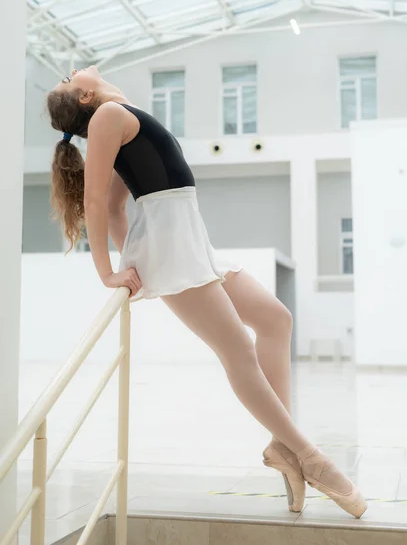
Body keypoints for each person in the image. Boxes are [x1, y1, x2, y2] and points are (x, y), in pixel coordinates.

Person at [47, 65, 367, 518]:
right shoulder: (106, 117)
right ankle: (311, 458)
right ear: (83, 97)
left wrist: (136, 254)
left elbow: (119, 206)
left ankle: (284, 447)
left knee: (276, 319)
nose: (72, 70)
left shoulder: (121, 114)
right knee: (238, 349)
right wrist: (110, 271)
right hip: (173, 247)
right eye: (67, 78)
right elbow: (96, 201)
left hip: (189, 242)